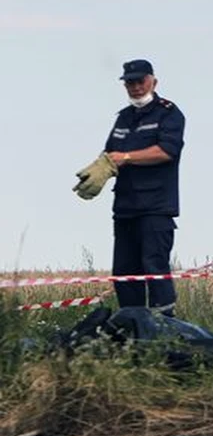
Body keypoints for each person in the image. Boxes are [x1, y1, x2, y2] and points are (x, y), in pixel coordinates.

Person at [73, 59, 186, 314]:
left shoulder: (168, 113)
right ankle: (133, 327)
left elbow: (167, 151)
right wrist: (99, 169)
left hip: (156, 207)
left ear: (153, 81)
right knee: (124, 272)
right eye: (129, 83)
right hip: (125, 207)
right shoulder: (124, 118)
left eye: (140, 81)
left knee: (154, 266)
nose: (135, 87)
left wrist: (125, 158)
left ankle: (163, 327)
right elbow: (110, 152)